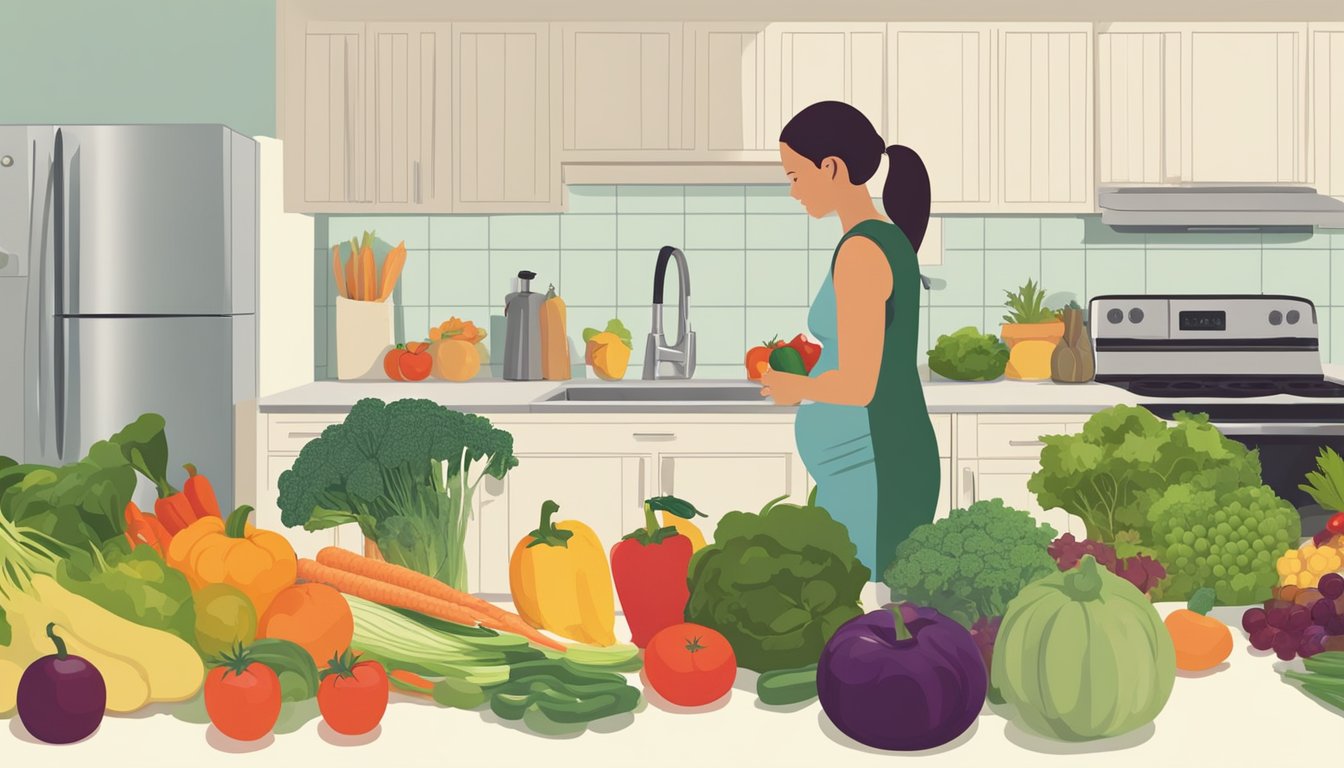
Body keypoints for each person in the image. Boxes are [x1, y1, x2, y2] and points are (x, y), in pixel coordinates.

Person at [759, 100, 940, 590]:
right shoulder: (882, 239)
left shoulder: (862, 251)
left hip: (874, 471)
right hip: (867, 467)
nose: (793, 190)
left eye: (796, 175)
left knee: (872, 612)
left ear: (832, 167)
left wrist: (794, 386)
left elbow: (861, 385)